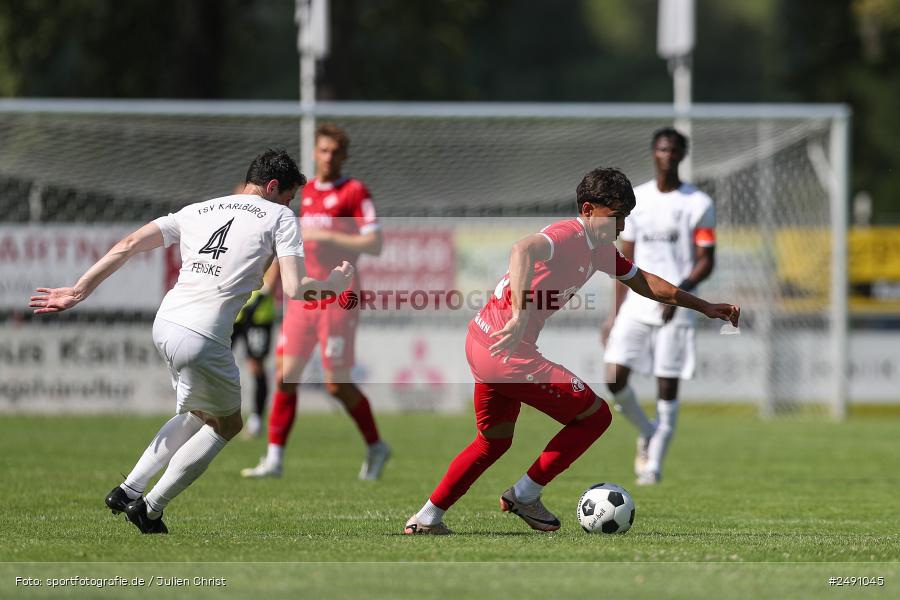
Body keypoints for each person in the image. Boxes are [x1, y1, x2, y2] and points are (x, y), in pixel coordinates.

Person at [29, 150, 353, 534]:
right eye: (289, 196)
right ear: (271, 187)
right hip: (202, 336)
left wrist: (80, 290)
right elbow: (297, 289)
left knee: (196, 414)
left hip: (165, 323)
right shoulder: (280, 216)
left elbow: (131, 242)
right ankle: (149, 508)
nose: (290, 205)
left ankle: (127, 488)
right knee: (227, 424)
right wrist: (334, 284)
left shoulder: (199, 209)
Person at [404, 167, 738, 535]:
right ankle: (525, 495)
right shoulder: (569, 234)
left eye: (626, 217)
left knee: (493, 442)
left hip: (483, 343)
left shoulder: (599, 250)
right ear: (589, 209)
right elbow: (522, 249)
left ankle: (426, 518)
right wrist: (517, 316)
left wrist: (703, 306)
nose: (623, 227)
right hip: (506, 351)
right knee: (595, 417)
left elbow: (646, 283)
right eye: (616, 217)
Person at [241, 123, 390, 481]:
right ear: (315, 152)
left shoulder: (355, 192)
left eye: (335, 152)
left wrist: (327, 233)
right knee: (285, 377)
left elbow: (375, 243)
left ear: (344, 155)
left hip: (339, 297)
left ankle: (376, 446)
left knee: (336, 383)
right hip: (304, 296)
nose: (328, 157)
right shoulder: (301, 195)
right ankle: (274, 459)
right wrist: (267, 284)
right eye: (323, 151)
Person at [601, 128, 717, 486]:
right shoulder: (637, 199)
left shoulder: (698, 203)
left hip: (676, 305)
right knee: (613, 378)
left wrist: (679, 294)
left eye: (673, 150)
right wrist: (614, 313)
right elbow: (626, 263)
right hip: (637, 303)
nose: (667, 155)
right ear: (653, 153)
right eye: (661, 149)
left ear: (682, 155)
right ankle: (648, 430)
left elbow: (706, 260)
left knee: (667, 386)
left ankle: (652, 466)